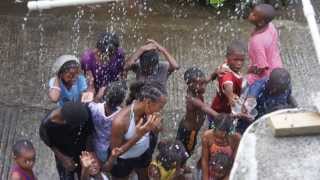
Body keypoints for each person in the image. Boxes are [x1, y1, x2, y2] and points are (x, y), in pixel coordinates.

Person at [110, 81, 166, 180]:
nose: (160, 111)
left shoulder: (150, 113)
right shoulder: (120, 122)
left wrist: (157, 128)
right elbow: (115, 153)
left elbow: (160, 128)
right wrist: (138, 136)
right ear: (148, 102)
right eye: (160, 106)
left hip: (143, 153)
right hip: (124, 161)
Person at [39, 102, 94, 180]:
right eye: (78, 125)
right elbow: (50, 144)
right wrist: (62, 158)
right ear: (65, 122)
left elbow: (89, 133)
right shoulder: (46, 127)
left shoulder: (83, 112)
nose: (81, 125)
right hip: (65, 154)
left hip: (82, 151)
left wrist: (89, 153)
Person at [209, 40, 251, 132]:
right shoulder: (226, 74)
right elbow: (228, 84)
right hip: (220, 116)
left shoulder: (225, 66)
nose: (239, 63)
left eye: (242, 60)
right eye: (236, 60)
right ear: (227, 58)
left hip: (220, 110)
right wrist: (230, 96)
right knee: (219, 138)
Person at [176, 67, 220, 157]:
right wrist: (226, 117)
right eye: (200, 84)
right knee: (186, 152)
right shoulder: (192, 99)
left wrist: (214, 74)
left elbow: (205, 80)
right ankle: (181, 166)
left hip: (188, 128)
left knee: (183, 149)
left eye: (203, 83)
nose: (204, 86)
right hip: (189, 132)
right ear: (190, 84)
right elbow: (206, 108)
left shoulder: (197, 88)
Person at [88, 81, 127, 163]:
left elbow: (90, 103)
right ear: (120, 102)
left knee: (94, 161)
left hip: (93, 141)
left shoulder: (95, 108)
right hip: (105, 147)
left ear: (105, 95)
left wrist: (98, 96)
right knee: (102, 162)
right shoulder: (120, 116)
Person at [81, 32, 125, 101]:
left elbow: (122, 77)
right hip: (97, 92)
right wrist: (97, 98)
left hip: (113, 89)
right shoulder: (87, 59)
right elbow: (90, 86)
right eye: (106, 55)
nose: (108, 58)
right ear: (98, 49)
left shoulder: (119, 54)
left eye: (111, 55)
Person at [247, 3, 283, 85]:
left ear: (260, 23)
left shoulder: (256, 41)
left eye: (254, 15)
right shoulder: (270, 26)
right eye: (252, 12)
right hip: (277, 66)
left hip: (267, 76)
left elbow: (262, 67)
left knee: (243, 82)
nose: (250, 14)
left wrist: (249, 70)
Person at [201, 115, 240, 180]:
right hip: (210, 170)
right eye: (215, 136)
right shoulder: (206, 136)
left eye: (222, 138)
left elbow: (233, 163)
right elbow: (205, 160)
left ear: (230, 133)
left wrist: (227, 178)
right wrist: (205, 178)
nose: (218, 140)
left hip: (225, 172)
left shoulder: (236, 139)